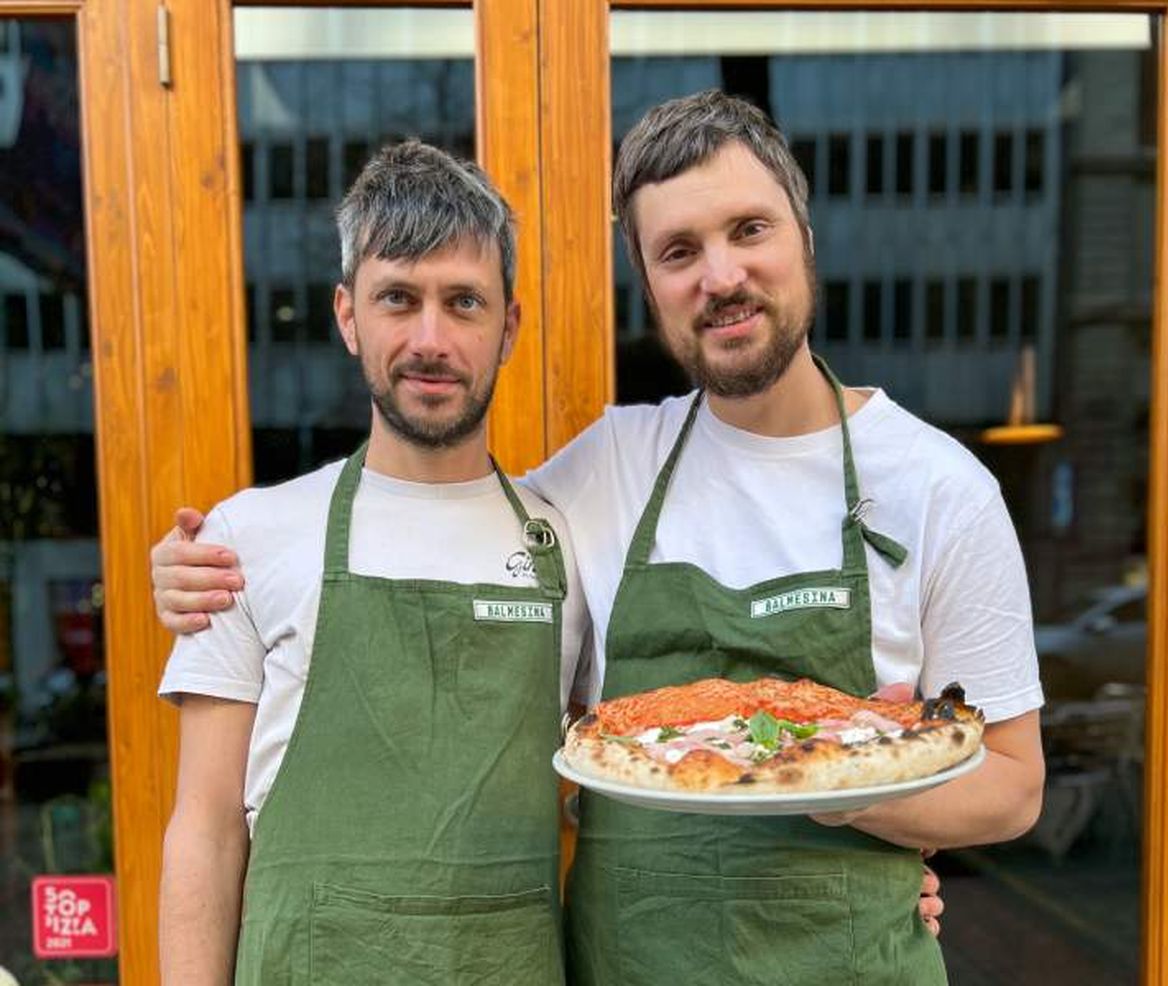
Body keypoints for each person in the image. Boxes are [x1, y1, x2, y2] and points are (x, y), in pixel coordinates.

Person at [154, 92, 1030, 980]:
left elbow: (1013, 786)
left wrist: (861, 790)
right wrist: (188, 567)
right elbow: (430, 530)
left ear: (805, 237)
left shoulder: (938, 486)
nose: (719, 277)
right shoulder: (601, 472)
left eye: (749, 230)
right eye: (678, 251)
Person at [156, 140, 590, 985]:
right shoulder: (249, 536)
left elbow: (632, 770)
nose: (430, 339)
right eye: (399, 298)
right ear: (349, 315)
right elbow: (204, 831)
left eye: (464, 302)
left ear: (509, 327)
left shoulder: (571, 542)